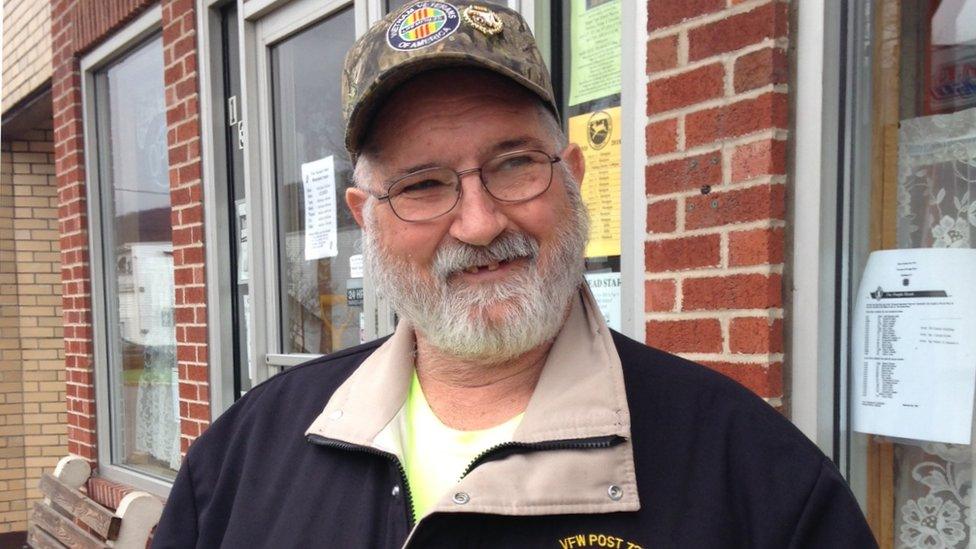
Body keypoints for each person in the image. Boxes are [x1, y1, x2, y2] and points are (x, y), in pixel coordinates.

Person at [153, 2, 877, 547]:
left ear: (574, 176)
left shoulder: (752, 474)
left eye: (514, 165)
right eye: (423, 185)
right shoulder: (245, 454)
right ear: (366, 215)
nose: (479, 223)